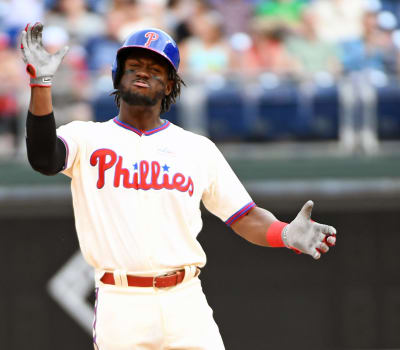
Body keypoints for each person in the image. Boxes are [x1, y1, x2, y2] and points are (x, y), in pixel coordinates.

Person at [21, 23, 337, 349]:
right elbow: (44, 158)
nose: (143, 73)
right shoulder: (87, 137)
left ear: (170, 83)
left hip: (185, 298)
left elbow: (244, 216)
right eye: (134, 66)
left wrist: (284, 233)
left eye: (155, 69)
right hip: (122, 300)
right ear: (118, 75)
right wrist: (41, 84)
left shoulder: (196, 148)